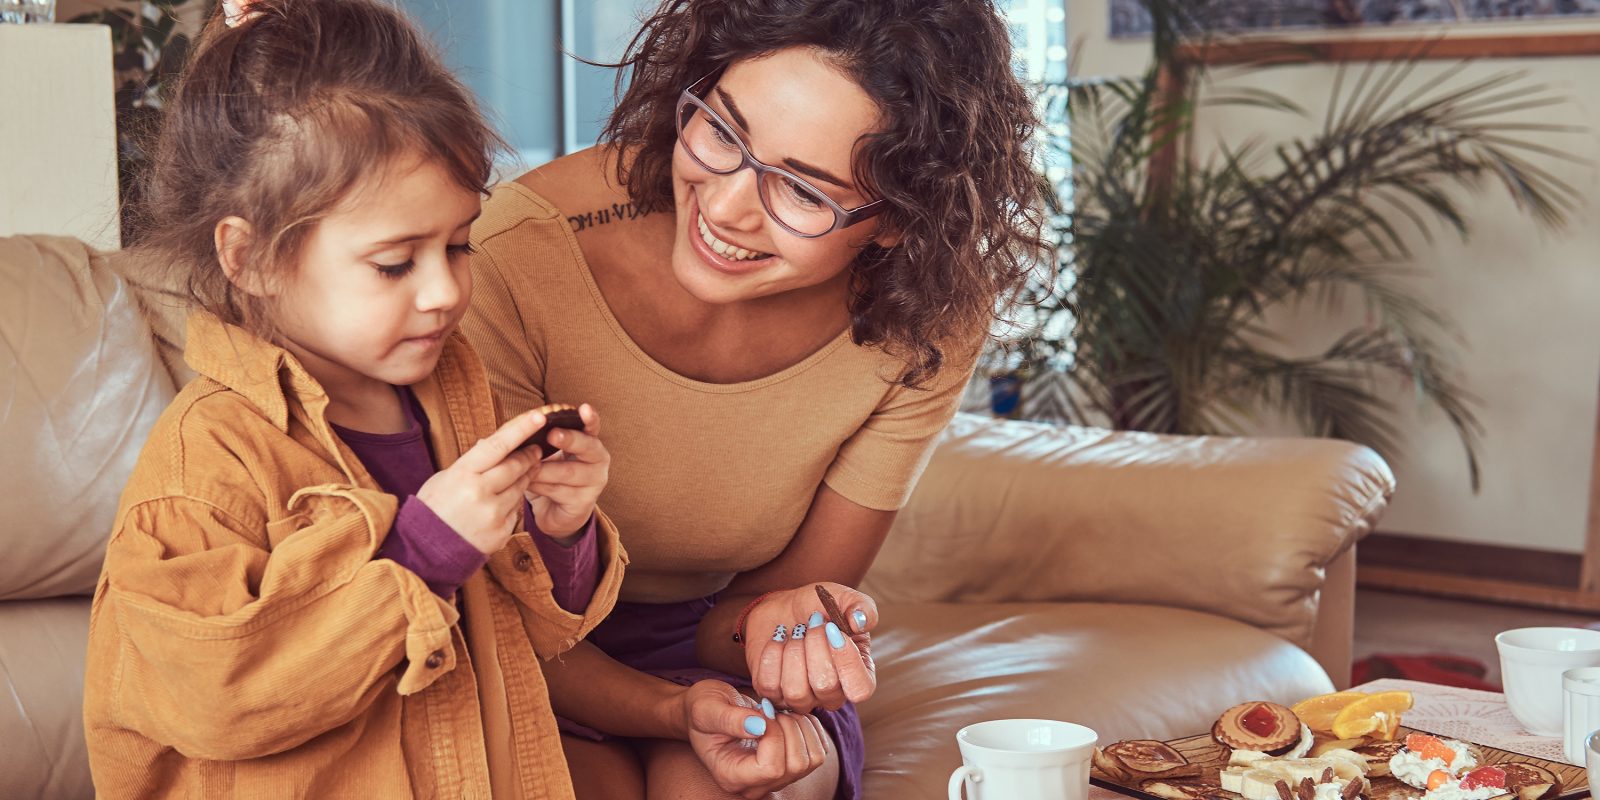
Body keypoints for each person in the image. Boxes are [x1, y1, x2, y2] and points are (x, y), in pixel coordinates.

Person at [79, 1, 712, 796]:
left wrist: (563, 531)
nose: (446, 290)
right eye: (393, 264)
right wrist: (421, 553)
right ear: (251, 258)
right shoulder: (208, 459)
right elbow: (215, 697)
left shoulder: (455, 392)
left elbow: (533, 631)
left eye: (458, 244)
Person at [462, 0, 1046, 797]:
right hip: (524, 641)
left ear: (895, 225)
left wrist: (783, 633)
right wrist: (668, 712)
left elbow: (757, 614)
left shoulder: (927, 319)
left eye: (804, 194)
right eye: (722, 133)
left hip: (721, 650)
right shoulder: (509, 256)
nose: (728, 208)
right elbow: (496, 606)